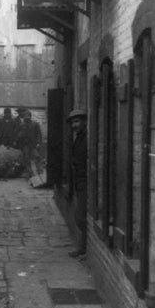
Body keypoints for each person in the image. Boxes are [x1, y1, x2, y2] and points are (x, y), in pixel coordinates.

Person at [67, 108, 88, 259]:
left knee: (80, 217)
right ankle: (83, 247)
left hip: (86, 181)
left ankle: (84, 248)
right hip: (79, 181)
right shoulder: (79, 137)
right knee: (79, 217)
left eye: (77, 121)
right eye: (73, 122)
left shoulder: (86, 138)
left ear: (84, 122)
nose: (74, 125)